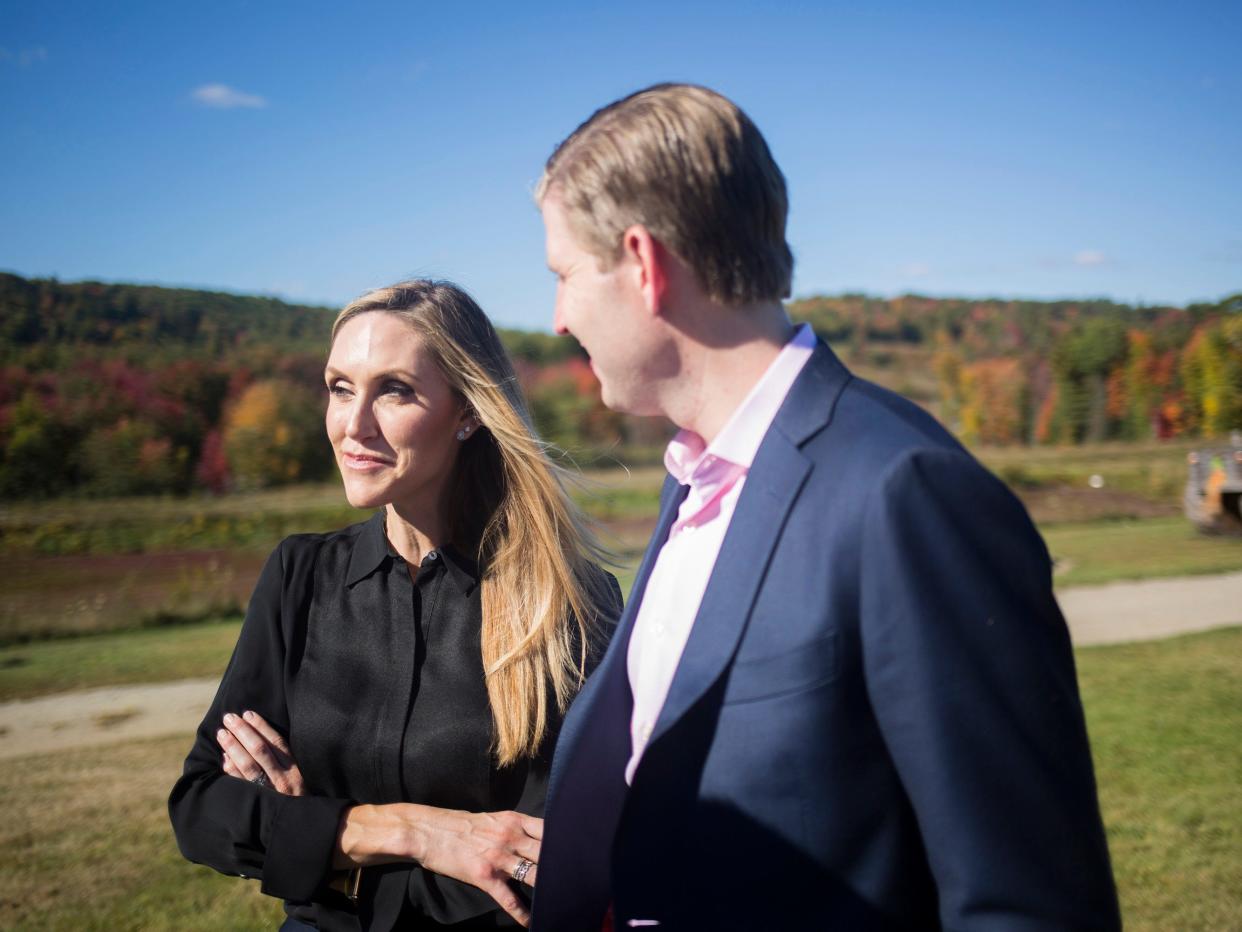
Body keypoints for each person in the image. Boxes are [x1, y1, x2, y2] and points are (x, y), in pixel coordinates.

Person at [531, 84, 1122, 930]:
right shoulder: (694, 478)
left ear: (644, 264)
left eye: (563, 275)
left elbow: (1026, 902)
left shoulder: (906, 494)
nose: (555, 319)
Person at [169, 280, 622, 932]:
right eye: (340, 387)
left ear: (467, 411)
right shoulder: (299, 577)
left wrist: (315, 840)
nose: (353, 425)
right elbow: (201, 808)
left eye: (394, 390)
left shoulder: (569, 602)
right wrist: (417, 831)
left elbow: (541, 865)